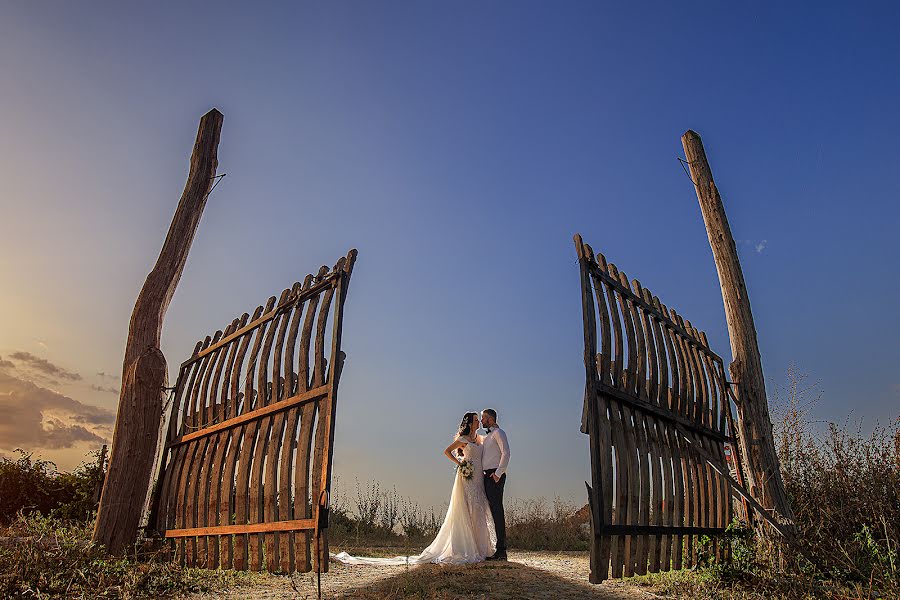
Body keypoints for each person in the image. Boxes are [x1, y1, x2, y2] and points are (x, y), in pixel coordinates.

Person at [332, 412, 497, 565]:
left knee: (479, 509)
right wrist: (460, 463)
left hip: (478, 478)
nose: (478, 422)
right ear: (469, 423)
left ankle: (481, 547)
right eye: (476, 420)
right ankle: (466, 547)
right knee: (468, 509)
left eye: (478, 420)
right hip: (467, 477)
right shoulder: (463, 439)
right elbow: (447, 451)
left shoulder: (480, 439)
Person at [478, 408, 510, 561]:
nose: (481, 421)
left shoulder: (499, 433)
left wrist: (498, 474)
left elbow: (506, 453)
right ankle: (495, 548)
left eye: (483, 418)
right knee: (491, 511)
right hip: (486, 476)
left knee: (497, 511)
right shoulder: (487, 437)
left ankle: (502, 551)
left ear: (490, 419)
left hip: (494, 476)